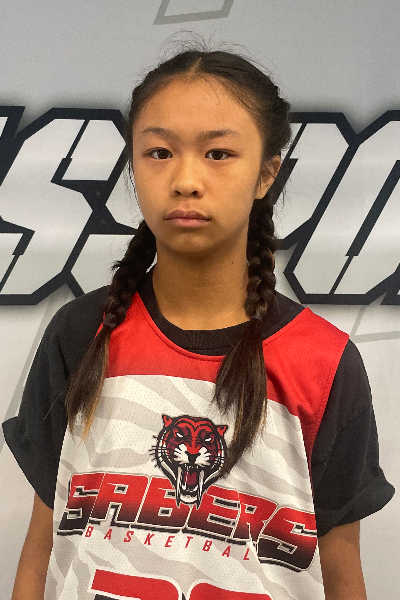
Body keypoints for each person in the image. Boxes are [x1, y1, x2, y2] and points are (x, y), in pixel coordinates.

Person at [3, 41, 395, 600]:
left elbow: (340, 567)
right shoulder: (79, 333)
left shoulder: (324, 361)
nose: (186, 179)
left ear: (267, 174)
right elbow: (43, 543)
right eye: (159, 152)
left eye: (218, 153)